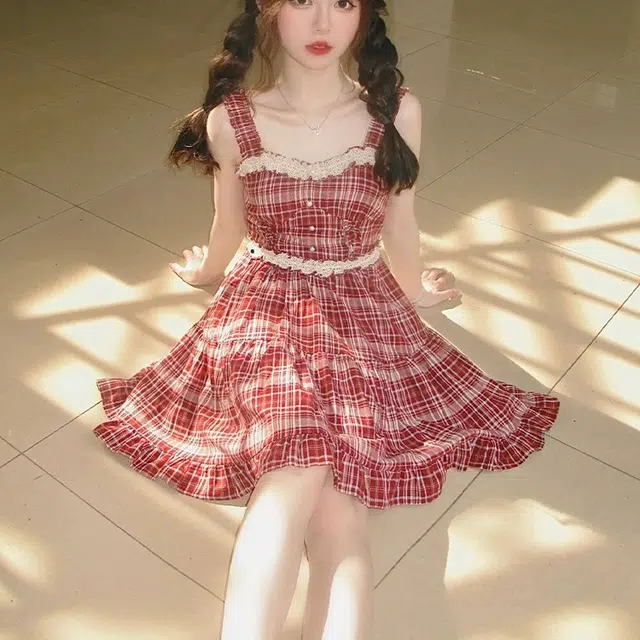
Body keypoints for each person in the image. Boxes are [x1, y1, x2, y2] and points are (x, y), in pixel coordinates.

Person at [94, 1, 560, 638]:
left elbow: (400, 222)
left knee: (340, 512)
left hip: (365, 315)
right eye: (301, 1)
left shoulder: (396, 112)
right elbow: (228, 224)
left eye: (341, 3)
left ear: (363, 13)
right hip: (265, 310)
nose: (322, 25)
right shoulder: (232, 119)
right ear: (267, 8)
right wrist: (207, 271)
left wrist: (417, 289)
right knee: (291, 473)